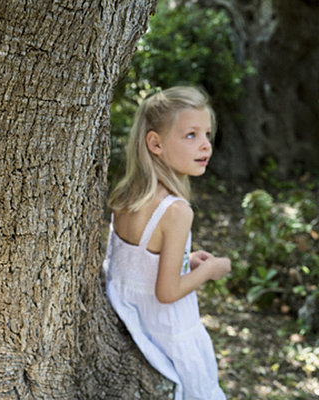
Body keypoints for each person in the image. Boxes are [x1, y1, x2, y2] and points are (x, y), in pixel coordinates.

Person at [103, 86, 231, 400]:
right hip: (170, 335)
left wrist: (187, 260)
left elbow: (139, 264)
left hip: (135, 322)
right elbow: (167, 292)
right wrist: (212, 269)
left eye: (207, 134)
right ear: (155, 143)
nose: (205, 145)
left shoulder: (126, 196)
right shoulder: (176, 211)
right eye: (191, 135)